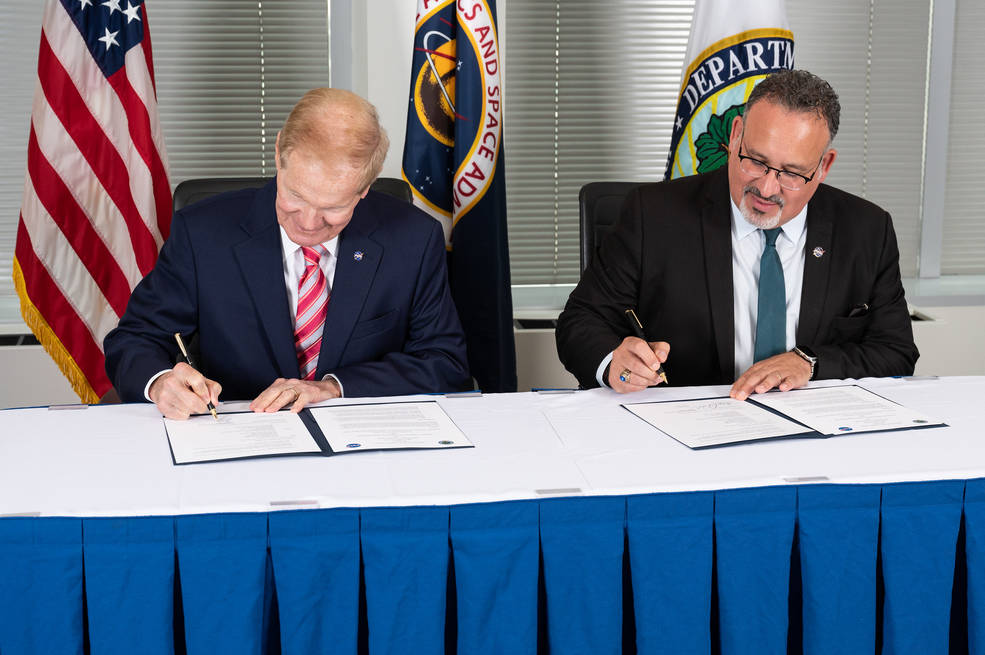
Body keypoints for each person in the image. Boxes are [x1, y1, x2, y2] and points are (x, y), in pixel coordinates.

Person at [105, 88, 470, 419]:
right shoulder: (202, 233)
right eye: (295, 196)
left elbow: (444, 363)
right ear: (279, 154)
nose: (310, 223)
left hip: (358, 443)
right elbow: (134, 339)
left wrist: (332, 387)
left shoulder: (414, 239)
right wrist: (159, 382)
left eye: (334, 206)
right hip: (235, 437)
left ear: (365, 188)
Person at [556, 69, 918, 399]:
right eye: (756, 161)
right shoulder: (652, 214)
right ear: (735, 135)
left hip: (814, 439)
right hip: (682, 430)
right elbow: (580, 322)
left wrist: (810, 362)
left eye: (792, 173)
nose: (766, 187)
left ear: (824, 166)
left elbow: (895, 352)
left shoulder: (867, 229)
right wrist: (613, 364)